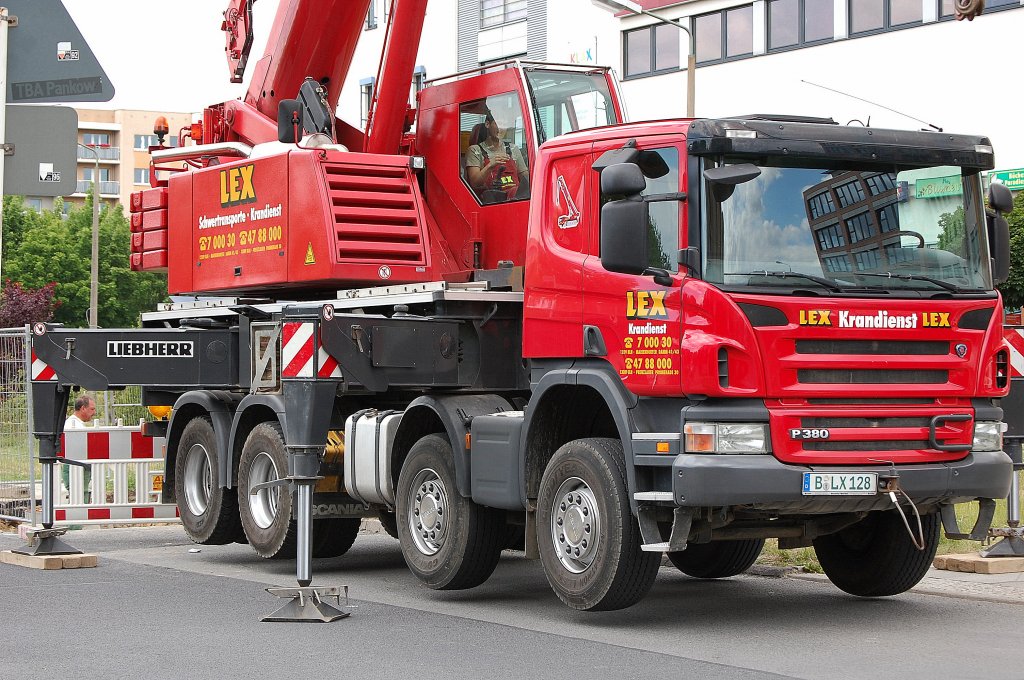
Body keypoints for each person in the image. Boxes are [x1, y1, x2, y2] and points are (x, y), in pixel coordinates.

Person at [465, 112, 529, 204]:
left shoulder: (513, 149)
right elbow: (475, 183)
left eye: (505, 125)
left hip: (516, 200)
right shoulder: (475, 150)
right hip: (491, 202)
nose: (501, 128)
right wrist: (491, 165)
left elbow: (525, 178)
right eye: (498, 124)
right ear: (487, 124)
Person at [62, 394, 96, 503]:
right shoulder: (75, 426)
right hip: (77, 466)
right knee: (81, 495)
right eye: (92, 409)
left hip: (74, 465)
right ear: (82, 408)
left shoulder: (73, 423)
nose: (94, 412)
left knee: (78, 494)